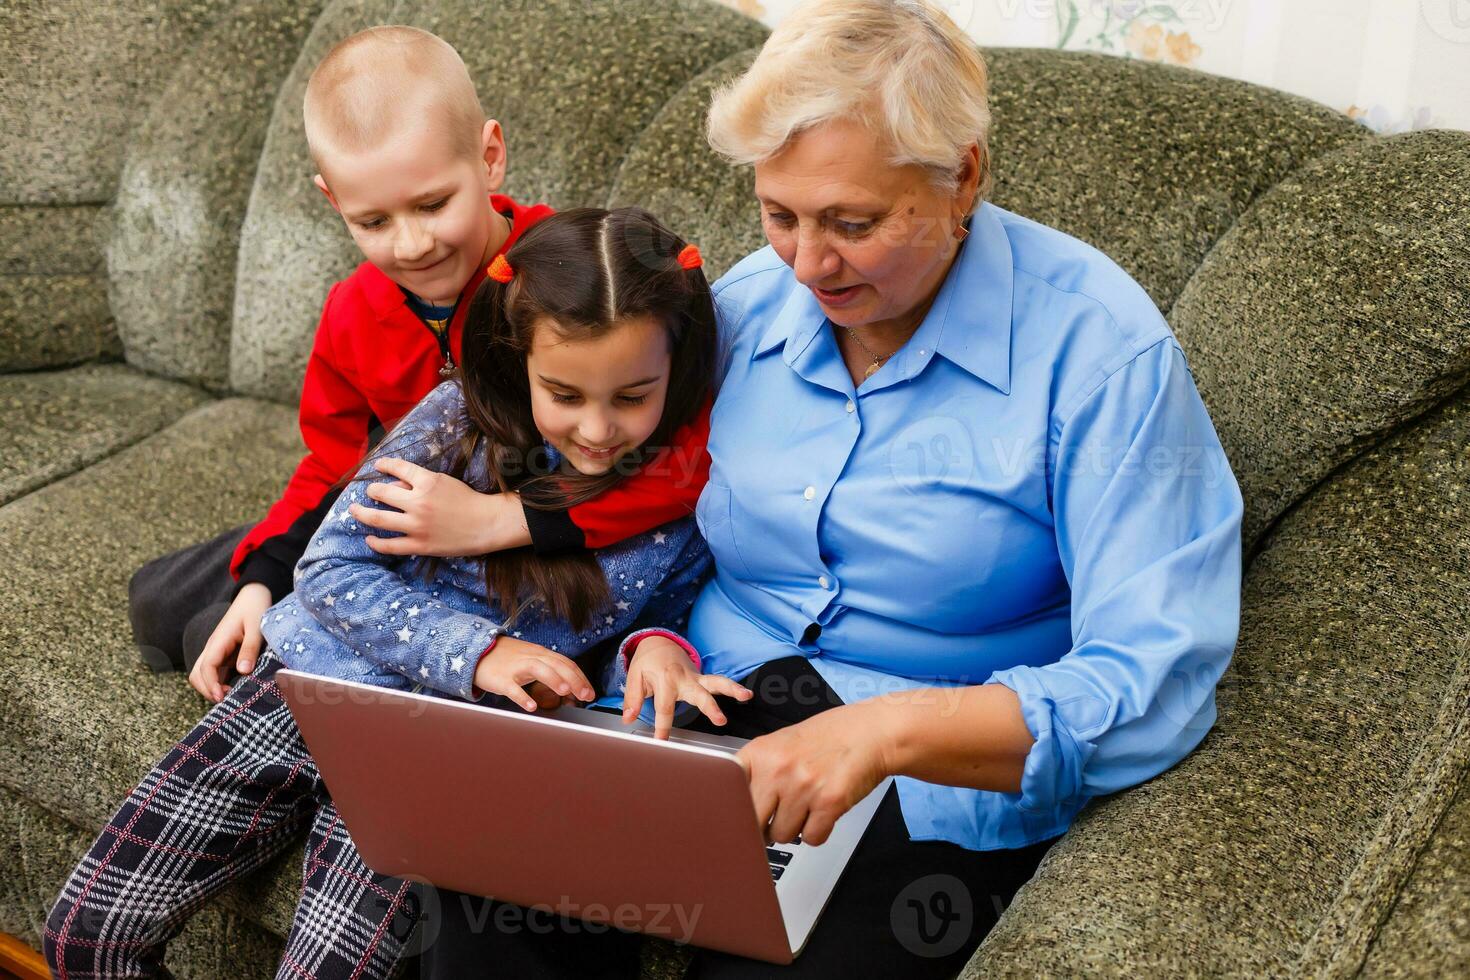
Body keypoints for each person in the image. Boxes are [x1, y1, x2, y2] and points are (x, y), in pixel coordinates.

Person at [417, 1, 1244, 977]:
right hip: (707, 702)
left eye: (853, 222)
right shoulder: (744, 311)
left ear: (963, 174)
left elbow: (1155, 685)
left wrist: (886, 733)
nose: (808, 263)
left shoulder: (1101, 353)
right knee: (480, 884)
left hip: (930, 768)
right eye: (780, 215)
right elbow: (654, 520)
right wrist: (655, 642)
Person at [45, 205, 750, 980]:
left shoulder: (679, 507)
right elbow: (328, 571)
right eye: (565, 393)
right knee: (88, 938)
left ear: (676, 375)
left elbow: (640, 633)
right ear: (519, 361)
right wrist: (477, 651)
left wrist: (657, 653)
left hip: (429, 760)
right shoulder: (454, 423)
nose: (597, 430)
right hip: (297, 690)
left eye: (631, 396)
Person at [127, 24, 707, 683]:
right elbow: (336, 464)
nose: (411, 246)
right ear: (332, 200)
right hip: (386, 520)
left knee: (221, 642)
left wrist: (506, 519)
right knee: (162, 606)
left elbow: (687, 458)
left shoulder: (569, 285)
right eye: (373, 222)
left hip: (503, 543)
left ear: (489, 158)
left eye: (434, 205)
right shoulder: (352, 310)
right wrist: (262, 577)